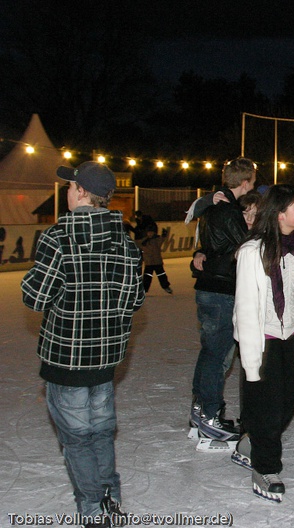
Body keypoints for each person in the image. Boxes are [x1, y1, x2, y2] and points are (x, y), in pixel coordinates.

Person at [21, 161, 145, 527]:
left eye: (71, 186)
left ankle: (93, 508)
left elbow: (36, 297)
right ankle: (109, 497)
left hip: (66, 356)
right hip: (105, 357)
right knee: (101, 430)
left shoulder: (57, 237)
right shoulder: (125, 241)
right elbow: (133, 301)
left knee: (77, 438)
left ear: (79, 192)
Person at [233, 184, 294, 502]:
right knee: (268, 410)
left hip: (289, 338)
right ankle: (265, 469)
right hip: (263, 341)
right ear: (281, 213)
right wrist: (251, 361)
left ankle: (248, 443)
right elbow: (245, 308)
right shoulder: (252, 251)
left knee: (285, 406)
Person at [189, 157, 255, 441]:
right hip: (220, 290)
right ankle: (210, 416)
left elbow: (211, 245)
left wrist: (200, 253)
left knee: (210, 353)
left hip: (210, 287)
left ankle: (200, 411)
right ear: (245, 182)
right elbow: (248, 247)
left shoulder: (213, 206)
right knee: (217, 356)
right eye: (253, 180)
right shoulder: (227, 211)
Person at [137, 226, 172, 294]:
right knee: (147, 277)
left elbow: (162, 239)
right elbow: (136, 243)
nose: (150, 234)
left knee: (162, 275)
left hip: (157, 262)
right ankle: (144, 289)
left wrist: (164, 234)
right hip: (149, 263)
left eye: (151, 232)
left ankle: (166, 286)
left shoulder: (157, 239)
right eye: (148, 232)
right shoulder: (144, 241)